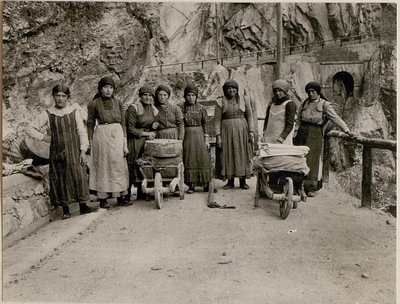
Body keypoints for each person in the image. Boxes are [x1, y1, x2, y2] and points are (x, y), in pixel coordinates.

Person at [25, 84, 92, 219]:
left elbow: (81, 132)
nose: (60, 99)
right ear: (53, 96)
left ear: (68, 97)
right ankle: (65, 210)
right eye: (57, 96)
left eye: (63, 96)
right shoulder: (47, 114)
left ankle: (83, 206)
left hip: (74, 150)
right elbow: (29, 128)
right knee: (61, 179)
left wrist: (83, 151)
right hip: (57, 152)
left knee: (78, 175)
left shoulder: (74, 112)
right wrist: (43, 137)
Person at [293, 81, 354, 197]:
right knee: (299, 157)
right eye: (309, 92)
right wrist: (296, 131)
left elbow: (335, 118)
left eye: (313, 91)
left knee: (312, 159)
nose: (310, 94)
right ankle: (297, 185)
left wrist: (347, 130)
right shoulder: (304, 103)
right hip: (302, 132)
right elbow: (299, 118)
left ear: (318, 92)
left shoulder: (325, 105)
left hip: (315, 133)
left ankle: (310, 187)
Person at [87, 76, 131, 208]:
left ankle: (121, 196)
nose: (108, 90)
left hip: (117, 135)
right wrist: (90, 141)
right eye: (106, 87)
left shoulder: (118, 102)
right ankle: (103, 199)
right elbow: (90, 124)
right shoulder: (94, 104)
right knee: (103, 166)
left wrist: (124, 142)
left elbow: (123, 122)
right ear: (100, 89)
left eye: (111, 87)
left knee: (118, 165)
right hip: (101, 136)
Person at [214, 79, 254, 190]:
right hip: (226, 131)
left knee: (242, 153)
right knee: (228, 153)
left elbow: (250, 116)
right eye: (229, 88)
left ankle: (243, 181)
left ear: (237, 89)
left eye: (234, 88)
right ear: (225, 90)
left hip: (242, 130)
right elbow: (217, 120)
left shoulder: (244, 100)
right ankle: (230, 181)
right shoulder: (220, 102)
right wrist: (218, 136)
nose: (231, 90)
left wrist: (251, 131)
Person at [179, 84, 213, 194]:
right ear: (185, 96)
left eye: (193, 95)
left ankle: (206, 184)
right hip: (187, 135)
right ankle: (191, 185)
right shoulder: (181, 108)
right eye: (188, 95)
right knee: (190, 158)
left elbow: (206, 124)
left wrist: (206, 139)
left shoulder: (201, 108)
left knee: (203, 158)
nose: (191, 97)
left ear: (196, 96)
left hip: (199, 134)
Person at [126, 84, 158, 199]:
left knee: (144, 164)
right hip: (135, 140)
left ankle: (142, 191)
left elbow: (150, 122)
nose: (147, 98)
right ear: (140, 96)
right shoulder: (133, 108)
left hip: (146, 141)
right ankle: (127, 193)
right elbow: (130, 129)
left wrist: (153, 127)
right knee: (133, 163)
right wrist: (146, 133)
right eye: (145, 95)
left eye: (150, 95)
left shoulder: (151, 108)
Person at [262, 79, 297, 144]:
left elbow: (289, 126)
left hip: (282, 140)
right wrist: (264, 134)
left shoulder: (289, 104)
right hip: (269, 138)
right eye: (275, 91)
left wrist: (281, 139)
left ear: (285, 91)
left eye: (280, 90)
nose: (277, 93)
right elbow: (266, 122)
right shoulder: (271, 105)